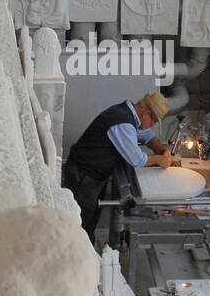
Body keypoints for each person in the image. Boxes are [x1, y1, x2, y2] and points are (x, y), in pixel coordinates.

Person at [63, 92, 172, 239]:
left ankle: (87, 252)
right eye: (154, 122)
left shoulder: (128, 113)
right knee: (81, 225)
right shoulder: (123, 122)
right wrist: (160, 160)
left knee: (90, 220)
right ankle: (78, 257)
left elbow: (146, 135)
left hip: (93, 175)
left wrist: (162, 150)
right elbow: (137, 159)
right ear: (146, 113)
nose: (152, 126)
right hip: (83, 176)